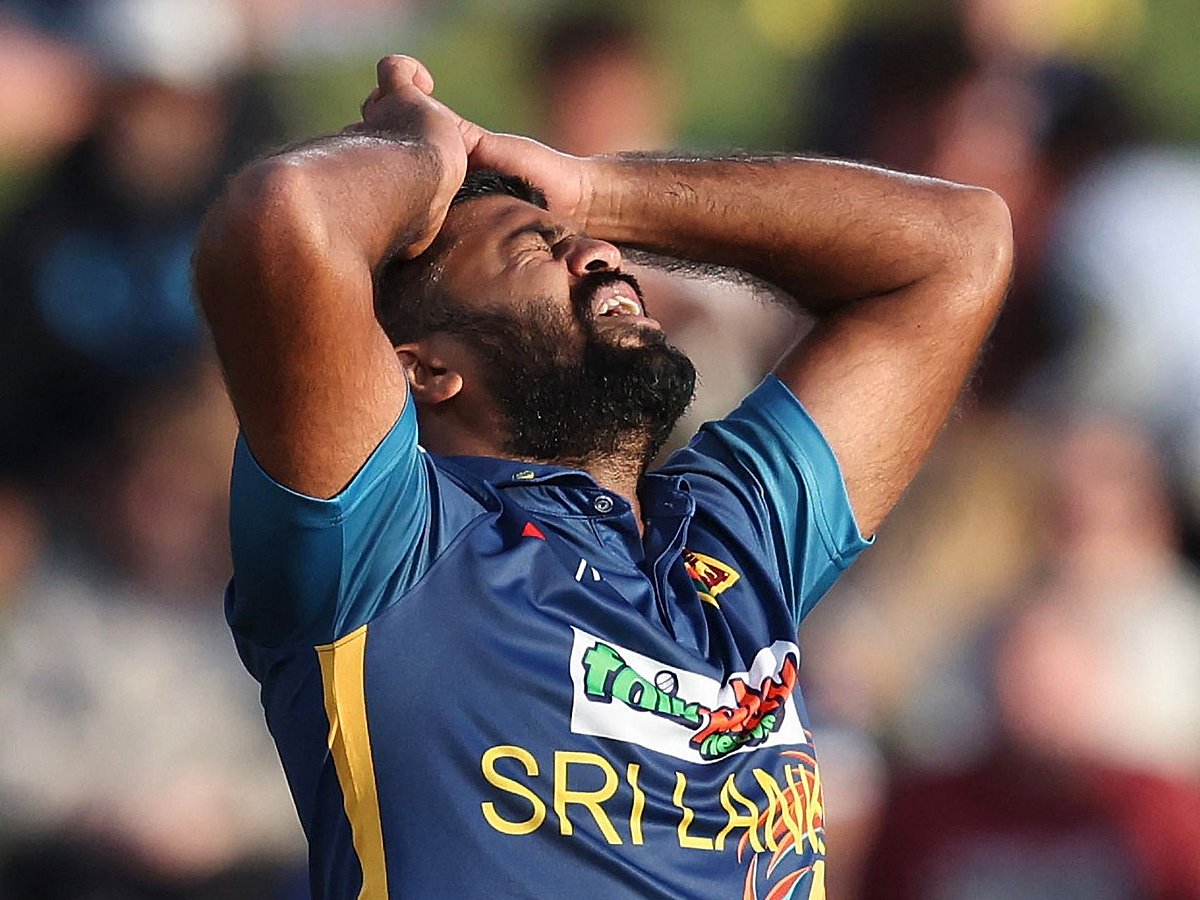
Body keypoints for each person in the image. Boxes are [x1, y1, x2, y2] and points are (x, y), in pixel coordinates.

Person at [193, 55, 1011, 899]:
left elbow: (958, 243)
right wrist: (428, 154)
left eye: (593, 241)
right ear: (428, 371)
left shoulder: (735, 536)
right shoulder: (385, 545)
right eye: (534, 251)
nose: (599, 256)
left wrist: (593, 191)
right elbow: (283, 219)